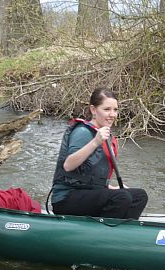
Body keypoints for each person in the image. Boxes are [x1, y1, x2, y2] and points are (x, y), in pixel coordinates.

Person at [50, 88, 148, 219]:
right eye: (107, 109)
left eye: (115, 110)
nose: (112, 114)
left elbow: (91, 176)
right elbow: (68, 165)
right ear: (93, 110)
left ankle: (124, 231)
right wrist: (95, 142)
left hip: (88, 192)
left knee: (139, 196)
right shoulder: (83, 132)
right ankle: (105, 232)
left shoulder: (104, 134)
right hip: (67, 198)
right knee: (122, 197)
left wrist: (109, 187)